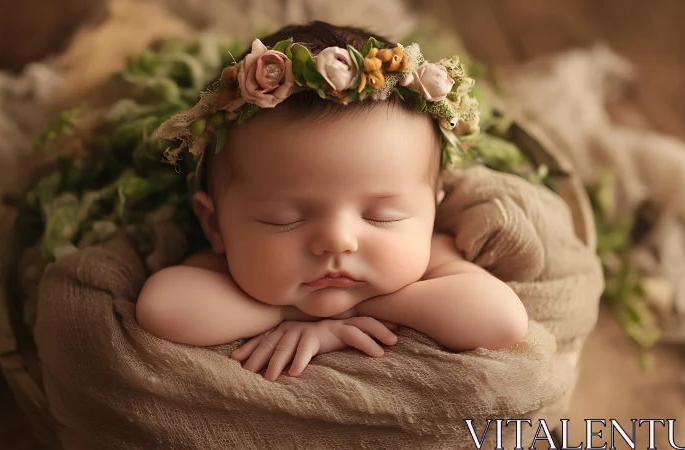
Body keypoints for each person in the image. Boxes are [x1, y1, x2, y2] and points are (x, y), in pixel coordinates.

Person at [136, 22, 528, 382]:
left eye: (381, 216)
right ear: (214, 224)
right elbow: (162, 307)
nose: (337, 241)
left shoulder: (435, 258)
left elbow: (502, 320)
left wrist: (356, 308)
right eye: (283, 218)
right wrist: (290, 311)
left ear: (432, 214)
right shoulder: (224, 267)